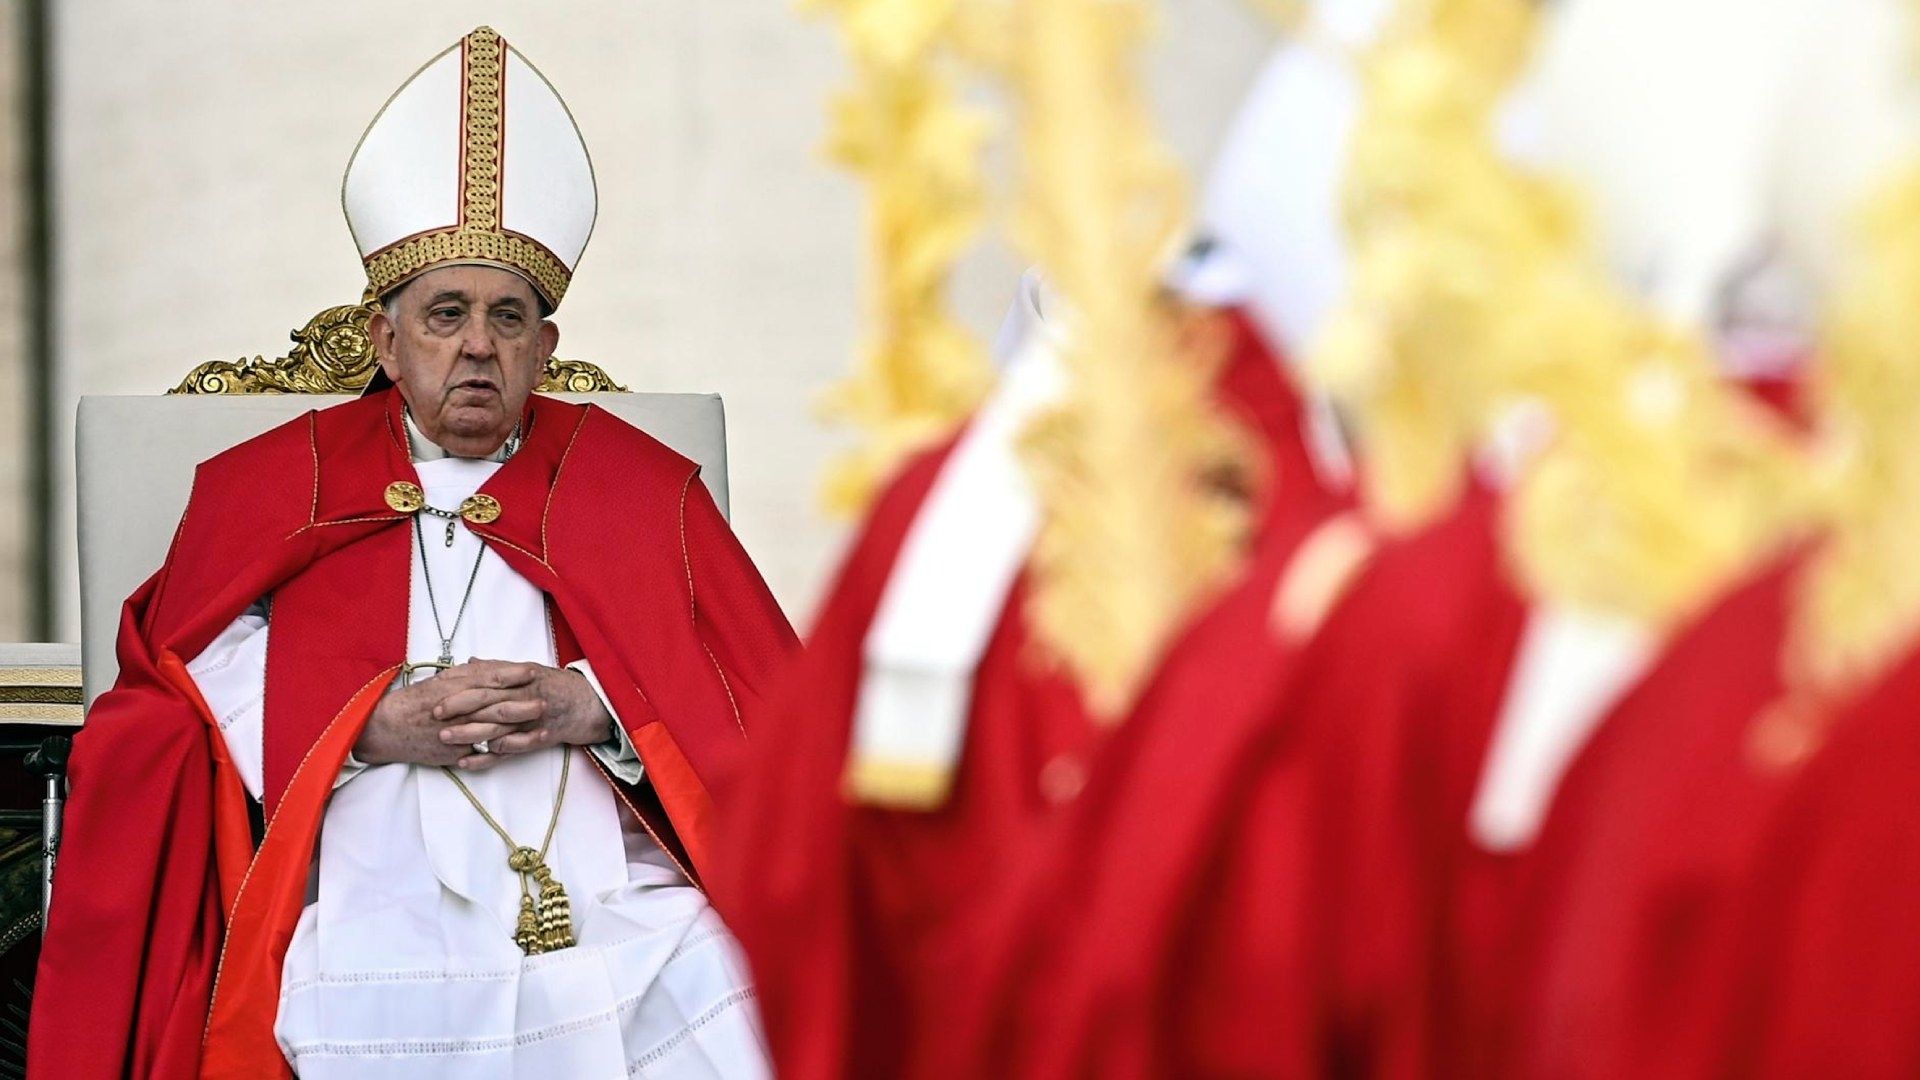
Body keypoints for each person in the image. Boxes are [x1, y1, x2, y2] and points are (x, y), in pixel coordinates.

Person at [29, 27, 795, 1079]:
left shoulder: (639, 489)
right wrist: (362, 724)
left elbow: (762, 703)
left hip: (605, 882)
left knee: (733, 993)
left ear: (545, 351)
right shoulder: (271, 485)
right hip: (371, 875)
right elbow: (176, 682)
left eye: (508, 318)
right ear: (387, 343)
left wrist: (600, 708)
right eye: (445, 314)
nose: (477, 345)